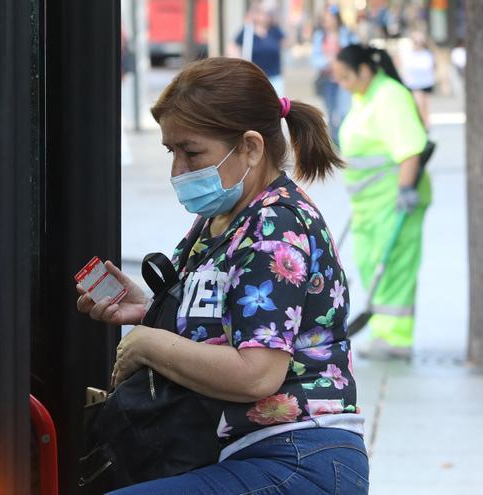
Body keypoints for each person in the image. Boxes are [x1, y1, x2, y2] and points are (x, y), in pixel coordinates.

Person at [76, 57, 368, 493]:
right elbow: (227, 317)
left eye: (191, 152)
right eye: (171, 152)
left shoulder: (276, 228)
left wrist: (149, 344)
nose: (178, 170)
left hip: (298, 456)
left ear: (251, 147)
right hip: (246, 451)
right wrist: (149, 311)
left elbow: (257, 374)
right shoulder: (223, 217)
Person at [332, 44, 430, 360]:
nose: (343, 84)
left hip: (395, 200)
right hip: (369, 204)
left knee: (393, 267)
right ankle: (383, 331)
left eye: (346, 77)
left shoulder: (389, 96)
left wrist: (405, 191)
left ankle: (395, 338)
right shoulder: (365, 98)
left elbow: (410, 148)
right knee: (372, 264)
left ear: (365, 70)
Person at [311, 4, 357, 143]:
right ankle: (336, 141)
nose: (328, 22)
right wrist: (328, 61)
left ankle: (344, 140)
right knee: (331, 113)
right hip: (328, 80)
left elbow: (354, 52)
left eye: (330, 18)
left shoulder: (346, 34)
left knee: (345, 111)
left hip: (344, 79)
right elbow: (315, 59)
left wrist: (339, 59)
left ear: (337, 19)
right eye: (326, 19)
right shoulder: (320, 36)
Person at [228, 2, 286, 95]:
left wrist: (279, 19)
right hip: (255, 76)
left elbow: (286, 42)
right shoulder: (248, 31)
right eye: (262, 13)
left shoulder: (274, 29)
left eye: (268, 14)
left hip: (275, 75)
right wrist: (238, 60)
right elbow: (233, 45)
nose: (265, 16)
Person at [398, 31, 435, 129]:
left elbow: (432, 67)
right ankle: (422, 126)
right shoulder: (407, 54)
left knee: (426, 107)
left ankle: (426, 126)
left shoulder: (427, 53)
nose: (418, 43)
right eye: (416, 41)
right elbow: (403, 68)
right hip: (414, 84)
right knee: (419, 105)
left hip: (427, 82)